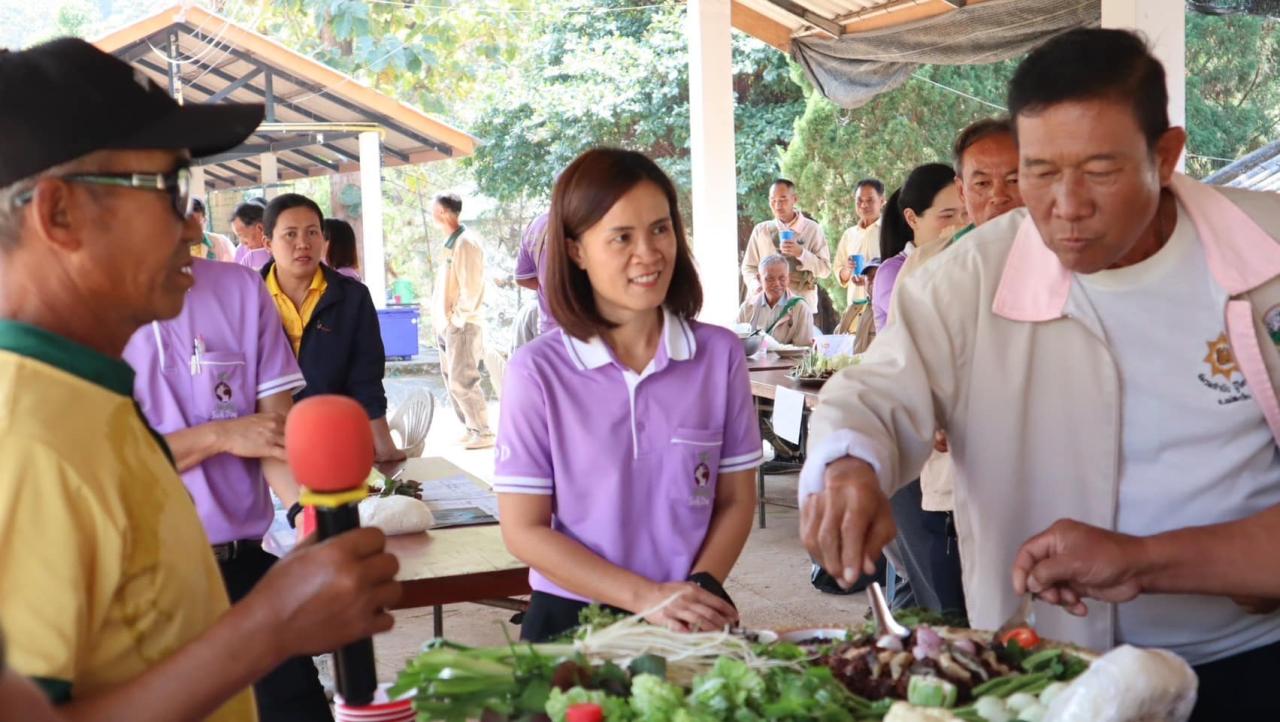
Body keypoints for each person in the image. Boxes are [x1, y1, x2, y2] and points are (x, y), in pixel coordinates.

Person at [799, 28, 1280, 719]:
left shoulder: (1265, 253)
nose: (1066, 205)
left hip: (1250, 657)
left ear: (1166, 155)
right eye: (1041, 171)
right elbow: (875, 394)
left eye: (1101, 170)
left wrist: (1142, 558)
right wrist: (848, 466)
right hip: (1044, 671)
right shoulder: (968, 277)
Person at [0, 38, 399, 721]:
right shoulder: (23, 439)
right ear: (59, 214)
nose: (192, 224)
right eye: (169, 188)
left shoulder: (86, 396)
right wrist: (269, 626)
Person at [495, 148, 761, 642]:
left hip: (687, 611)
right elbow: (524, 530)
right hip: (570, 622)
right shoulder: (537, 371)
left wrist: (697, 588)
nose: (649, 253)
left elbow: (736, 499)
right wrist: (646, 598)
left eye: (660, 229)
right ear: (576, 250)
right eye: (622, 237)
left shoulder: (718, 355)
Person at [122, 257, 333, 722]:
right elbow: (94, 461)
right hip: (135, 582)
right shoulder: (80, 306)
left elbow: (270, 434)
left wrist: (312, 518)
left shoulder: (238, 287)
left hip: (241, 570)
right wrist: (218, 435)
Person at [261, 193, 403, 465]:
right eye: (290, 234)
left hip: (336, 442)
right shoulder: (248, 297)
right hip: (269, 449)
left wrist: (384, 448)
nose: (303, 243)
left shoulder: (352, 297)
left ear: (324, 239)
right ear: (268, 243)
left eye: (312, 232)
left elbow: (366, 379)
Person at [431, 192, 494, 450]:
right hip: (448, 323)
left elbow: (471, 286)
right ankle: (471, 427)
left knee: (463, 379)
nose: (432, 214)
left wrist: (456, 318)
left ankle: (483, 431)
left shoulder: (466, 242)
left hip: (463, 323)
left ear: (444, 212)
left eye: (434, 209)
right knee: (452, 378)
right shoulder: (452, 242)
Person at [871, 164, 964, 331]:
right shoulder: (892, 272)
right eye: (948, 215)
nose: (960, 224)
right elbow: (926, 326)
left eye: (965, 213)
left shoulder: (965, 260)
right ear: (912, 218)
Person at [741, 179, 831, 313]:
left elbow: (825, 270)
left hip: (801, 305)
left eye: (783, 200)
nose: (777, 205)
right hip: (767, 306)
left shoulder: (812, 229)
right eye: (773, 200)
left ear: (794, 199)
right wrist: (757, 287)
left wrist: (801, 253)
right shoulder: (761, 230)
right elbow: (748, 267)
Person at [833, 179, 885, 332]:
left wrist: (871, 279)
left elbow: (896, 268)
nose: (864, 205)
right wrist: (848, 270)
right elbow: (839, 272)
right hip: (855, 307)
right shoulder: (849, 234)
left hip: (882, 308)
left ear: (882, 201)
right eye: (859, 201)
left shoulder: (889, 232)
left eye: (870, 200)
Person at [736, 254, 814, 347]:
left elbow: (804, 351)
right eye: (770, 279)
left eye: (782, 278)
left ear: (788, 278)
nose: (776, 284)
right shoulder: (747, 308)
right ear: (759, 278)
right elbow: (736, 344)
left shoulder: (800, 308)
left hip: (789, 362)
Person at [515, 211, 558, 338]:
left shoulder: (536, 224)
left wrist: (548, 289)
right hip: (584, 330)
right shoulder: (584, 223)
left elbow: (522, 278)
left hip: (548, 327)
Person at [189, 198, 236, 262]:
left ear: (205, 220)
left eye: (197, 223)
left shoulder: (221, 243)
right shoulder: (172, 248)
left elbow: (232, 269)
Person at [232, 199, 272, 270]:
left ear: (260, 228)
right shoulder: (241, 250)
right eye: (238, 237)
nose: (242, 242)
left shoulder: (280, 248)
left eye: (243, 235)